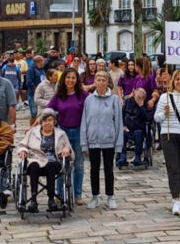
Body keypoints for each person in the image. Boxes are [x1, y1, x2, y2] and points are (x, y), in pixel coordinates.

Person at [80, 71, 123, 210]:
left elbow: (118, 122)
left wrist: (118, 143)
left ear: (107, 82)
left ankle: (110, 196)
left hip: (108, 140)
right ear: (95, 82)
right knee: (94, 169)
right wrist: (84, 142)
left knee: (109, 169)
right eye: (98, 80)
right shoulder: (89, 100)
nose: (101, 83)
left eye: (104, 80)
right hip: (93, 140)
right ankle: (95, 196)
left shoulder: (114, 100)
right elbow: (84, 122)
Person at [17, 108, 74, 212]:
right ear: (41, 122)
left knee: (50, 166)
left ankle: (51, 200)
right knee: (34, 165)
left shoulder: (61, 133)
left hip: (53, 162)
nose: (47, 123)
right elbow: (22, 144)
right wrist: (23, 151)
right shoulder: (32, 132)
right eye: (45, 120)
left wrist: (66, 149)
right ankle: (33, 200)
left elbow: (69, 148)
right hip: (35, 159)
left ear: (54, 122)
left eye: (50, 120)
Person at [154, 69, 180, 215]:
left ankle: (178, 195)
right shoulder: (165, 97)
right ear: (173, 81)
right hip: (169, 135)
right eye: (177, 79)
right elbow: (156, 118)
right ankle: (175, 199)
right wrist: (164, 113)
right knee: (174, 168)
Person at [47, 68, 89, 205]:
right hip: (62, 133)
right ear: (63, 79)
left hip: (78, 132)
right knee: (60, 163)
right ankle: (59, 193)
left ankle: (77, 194)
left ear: (77, 80)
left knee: (79, 164)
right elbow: (47, 111)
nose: (70, 80)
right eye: (68, 77)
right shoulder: (59, 96)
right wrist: (34, 125)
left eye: (73, 78)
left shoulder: (83, 95)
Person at [117, 88, 152, 166]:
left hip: (139, 129)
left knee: (138, 133)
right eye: (138, 97)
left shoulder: (146, 104)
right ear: (134, 95)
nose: (139, 98)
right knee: (122, 133)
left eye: (141, 97)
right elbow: (121, 115)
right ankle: (122, 156)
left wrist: (141, 107)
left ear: (144, 97)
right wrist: (123, 125)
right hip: (127, 127)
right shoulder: (128, 102)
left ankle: (137, 156)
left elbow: (148, 119)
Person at [26, 55, 45, 126]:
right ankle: (31, 128)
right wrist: (36, 90)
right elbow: (29, 82)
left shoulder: (42, 70)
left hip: (42, 94)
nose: (44, 62)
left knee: (40, 113)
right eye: (43, 60)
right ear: (38, 61)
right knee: (34, 113)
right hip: (33, 94)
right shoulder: (31, 70)